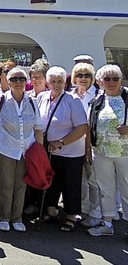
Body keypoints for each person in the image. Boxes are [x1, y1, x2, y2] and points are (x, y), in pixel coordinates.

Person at [0, 67, 43, 232]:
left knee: (21, 186)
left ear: (26, 82)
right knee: (6, 185)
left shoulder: (32, 102)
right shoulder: (1, 100)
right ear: (8, 82)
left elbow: (38, 128)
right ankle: (3, 217)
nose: (18, 82)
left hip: (27, 151)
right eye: (15, 79)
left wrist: (40, 152)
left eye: (22, 79)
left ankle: (17, 218)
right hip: (6, 150)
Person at [36, 66, 88, 232]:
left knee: (70, 184)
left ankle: (71, 216)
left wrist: (62, 142)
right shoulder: (42, 97)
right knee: (52, 182)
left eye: (60, 81)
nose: (56, 84)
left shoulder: (73, 100)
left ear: (65, 82)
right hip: (49, 150)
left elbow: (82, 128)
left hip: (71, 152)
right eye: (53, 81)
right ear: (47, 82)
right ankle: (51, 211)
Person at [86, 64, 128, 236]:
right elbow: (89, 126)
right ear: (100, 81)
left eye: (115, 78)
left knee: (127, 189)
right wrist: (89, 150)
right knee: (105, 188)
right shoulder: (97, 100)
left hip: (125, 153)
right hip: (102, 153)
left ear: (121, 80)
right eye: (107, 79)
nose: (111, 82)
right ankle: (107, 223)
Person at [70, 61, 102, 228]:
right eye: (79, 75)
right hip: (72, 147)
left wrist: (89, 148)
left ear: (93, 78)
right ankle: (81, 210)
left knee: (93, 180)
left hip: (89, 146)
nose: (83, 78)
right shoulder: (69, 95)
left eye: (87, 75)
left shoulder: (97, 96)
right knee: (79, 180)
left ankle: (95, 212)